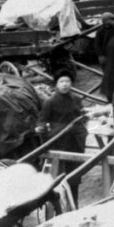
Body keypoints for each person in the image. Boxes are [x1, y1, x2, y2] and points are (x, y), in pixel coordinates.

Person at [36, 71, 88, 203]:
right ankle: (58, 203)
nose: (65, 84)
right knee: (59, 175)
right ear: (56, 85)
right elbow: (42, 121)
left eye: (67, 81)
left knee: (74, 174)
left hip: (75, 141)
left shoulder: (76, 99)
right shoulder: (50, 102)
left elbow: (82, 115)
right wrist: (43, 132)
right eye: (61, 82)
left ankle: (74, 203)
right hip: (58, 141)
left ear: (71, 84)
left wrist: (83, 126)